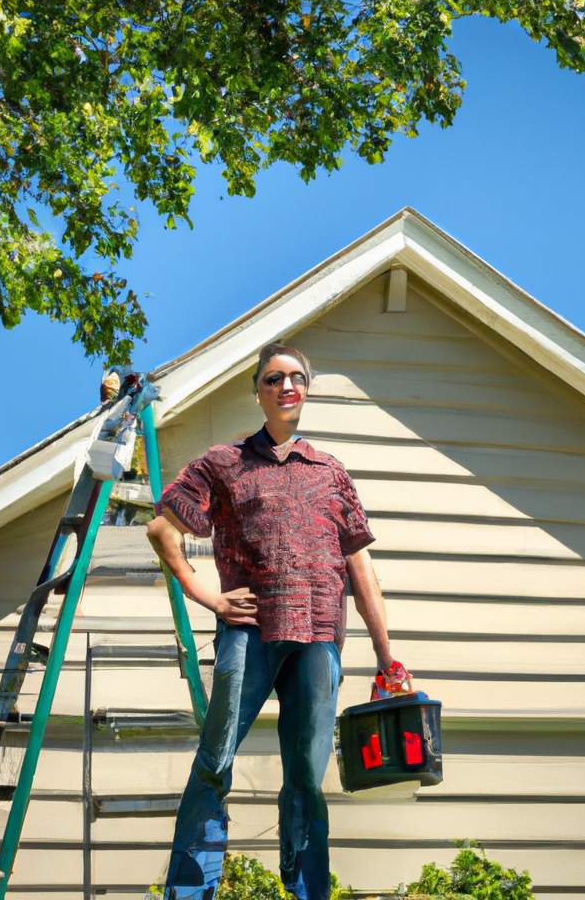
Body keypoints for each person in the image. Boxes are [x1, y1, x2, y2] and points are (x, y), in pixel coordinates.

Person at [145, 342, 404, 900]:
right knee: (215, 760)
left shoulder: (330, 472)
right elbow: (161, 530)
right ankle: (190, 893)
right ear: (258, 390)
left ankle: (307, 892)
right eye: (273, 379)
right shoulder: (223, 463)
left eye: (296, 378)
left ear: (306, 389)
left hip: (317, 640)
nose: (286, 387)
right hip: (250, 634)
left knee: (307, 780)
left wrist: (387, 655)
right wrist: (210, 599)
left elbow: (359, 564)